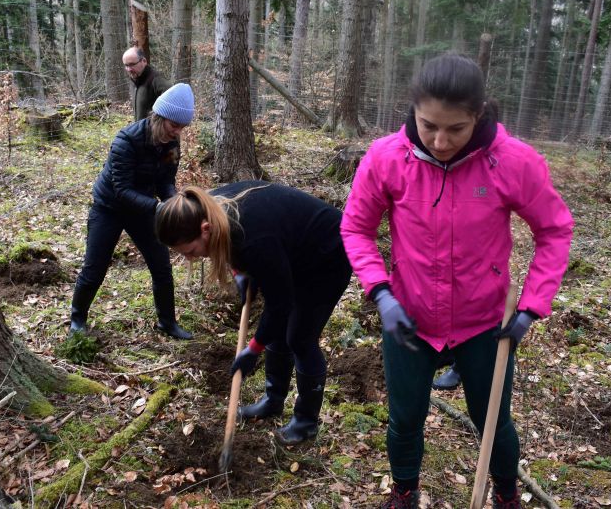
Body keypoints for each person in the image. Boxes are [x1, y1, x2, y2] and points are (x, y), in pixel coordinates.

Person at [340, 54, 573, 509]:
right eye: (428, 126)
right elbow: (355, 228)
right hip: (408, 314)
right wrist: (380, 290)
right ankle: (404, 491)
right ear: (413, 111)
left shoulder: (512, 161)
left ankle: (507, 494)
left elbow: (554, 229)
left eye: (456, 129)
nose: (441, 141)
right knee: (405, 416)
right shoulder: (387, 157)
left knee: (492, 420)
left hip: (484, 319)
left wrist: (531, 305)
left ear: (479, 115)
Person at [154, 182, 352, 444]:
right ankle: (273, 399)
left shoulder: (251, 237)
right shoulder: (204, 210)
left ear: (205, 230)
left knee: (300, 338)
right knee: (279, 333)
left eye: (190, 251)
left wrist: (254, 348)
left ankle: (306, 422)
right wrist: (241, 273)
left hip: (328, 253)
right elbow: (248, 251)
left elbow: (279, 302)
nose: (190, 259)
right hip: (288, 248)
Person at [68, 83, 196, 340]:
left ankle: (167, 322)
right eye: (174, 125)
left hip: (144, 209)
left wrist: (174, 202)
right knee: (95, 268)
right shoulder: (126, 140)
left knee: (161, 267)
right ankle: (77, 319)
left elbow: (165, 182)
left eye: (182, 127)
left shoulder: (171, 145)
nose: (178, 132)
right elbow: (121, 190)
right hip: (109, 208)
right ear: (160, 118)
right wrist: (158, 207)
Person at [122, 46, 171, 122]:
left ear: (144, 61)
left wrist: (157, 123)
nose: (129, 69)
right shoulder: (134, 81)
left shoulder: (156, 79)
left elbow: (173, 101)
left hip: (156, 132)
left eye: (132, 64)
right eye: (126, 65)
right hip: (141, 131)